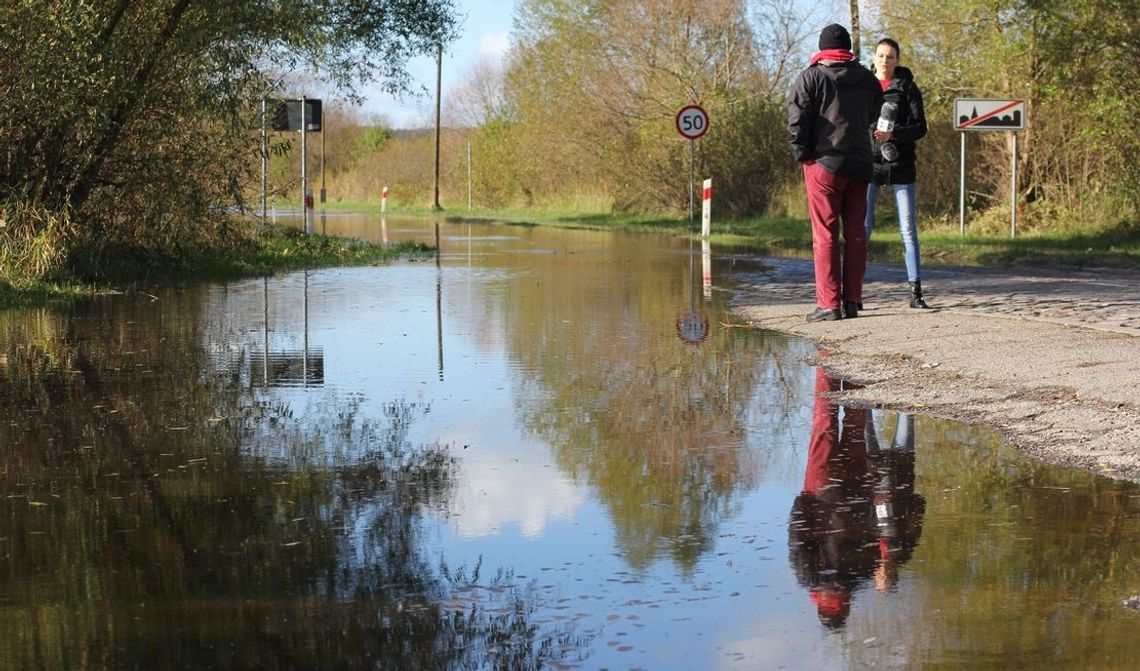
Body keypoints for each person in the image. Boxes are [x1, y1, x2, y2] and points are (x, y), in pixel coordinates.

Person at [788, 24, 883, 322]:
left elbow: (796, 122)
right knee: (856, 233)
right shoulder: (867, 78)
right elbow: (875, 114)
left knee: (825, 232)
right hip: (861, 163)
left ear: (822, 48)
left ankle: (829, 304)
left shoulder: (811, 77)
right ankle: (852, 301)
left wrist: (804, 156)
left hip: (825, 164)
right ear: (848, 49)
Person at [864, 38, 932, 309]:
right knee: (862, 229)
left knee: (907, 229)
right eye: (881, 55)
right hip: (869, 166)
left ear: (897, 60)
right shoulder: (864, 86)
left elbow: (921, 127)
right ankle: (853, 293)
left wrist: (894, 134)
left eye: (890, 56)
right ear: (874, 57)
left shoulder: (908, 89)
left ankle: (916, 293)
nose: (884, 60)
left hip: (902, 166)